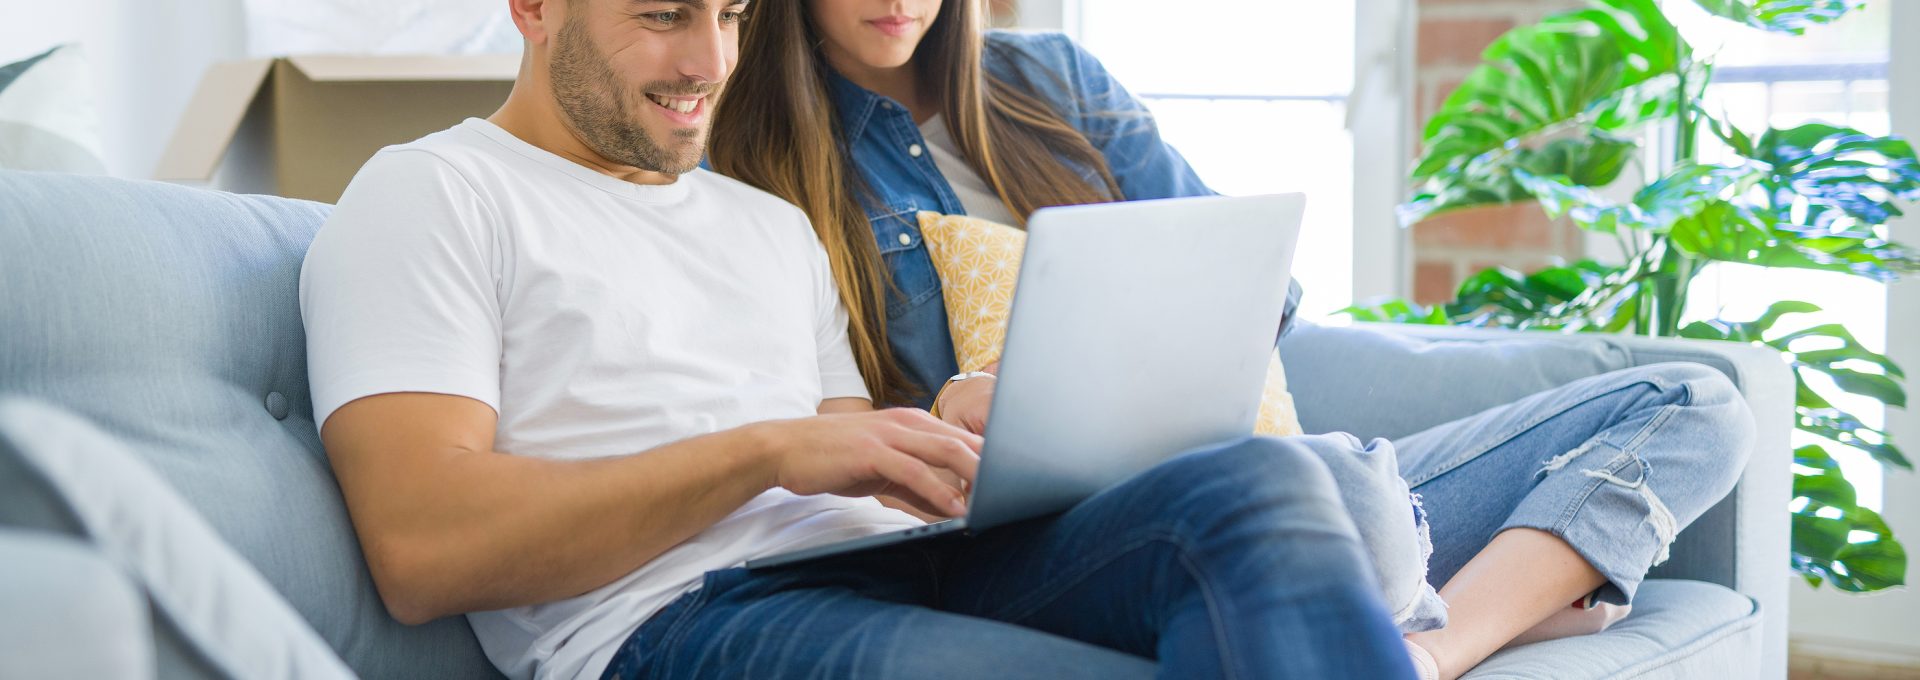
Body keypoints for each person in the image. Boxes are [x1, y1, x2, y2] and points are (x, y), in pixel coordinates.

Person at [299, 0, 1417, 678]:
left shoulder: (767, 225)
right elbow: (423, 549)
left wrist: (950, 433)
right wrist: (765, 449)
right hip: (673, 622)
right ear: (533, 6)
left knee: (1265, 480)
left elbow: (844, 459)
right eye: (660, 16)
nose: (708, 63)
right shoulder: (432, 194)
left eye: (729, 15)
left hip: (881, 561)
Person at [707, 1, 1758, 679]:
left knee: (1697, 401)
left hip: (1240, 461)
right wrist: (958, 404)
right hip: (1048, 532)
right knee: (1336, 495)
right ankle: (1449, 585)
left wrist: (1165, 335)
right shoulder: (756, 154)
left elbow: (1257, 286)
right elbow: (815, 421)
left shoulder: (1055, 83)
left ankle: (1438, 645)